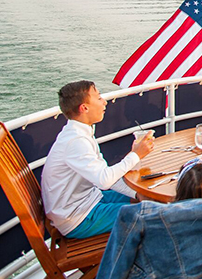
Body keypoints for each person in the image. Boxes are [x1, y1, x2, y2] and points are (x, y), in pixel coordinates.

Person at [41, 80, 154, 238]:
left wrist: (136, 194)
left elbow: (107, 177)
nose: (104, 102)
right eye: (99, 97)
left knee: (150, 199)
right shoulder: (76, 142)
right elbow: (105, 180)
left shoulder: (80, 132)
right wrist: (136, 155)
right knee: (152, 214)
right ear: (84, 108)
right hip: (78, 218)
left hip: (90, 200)